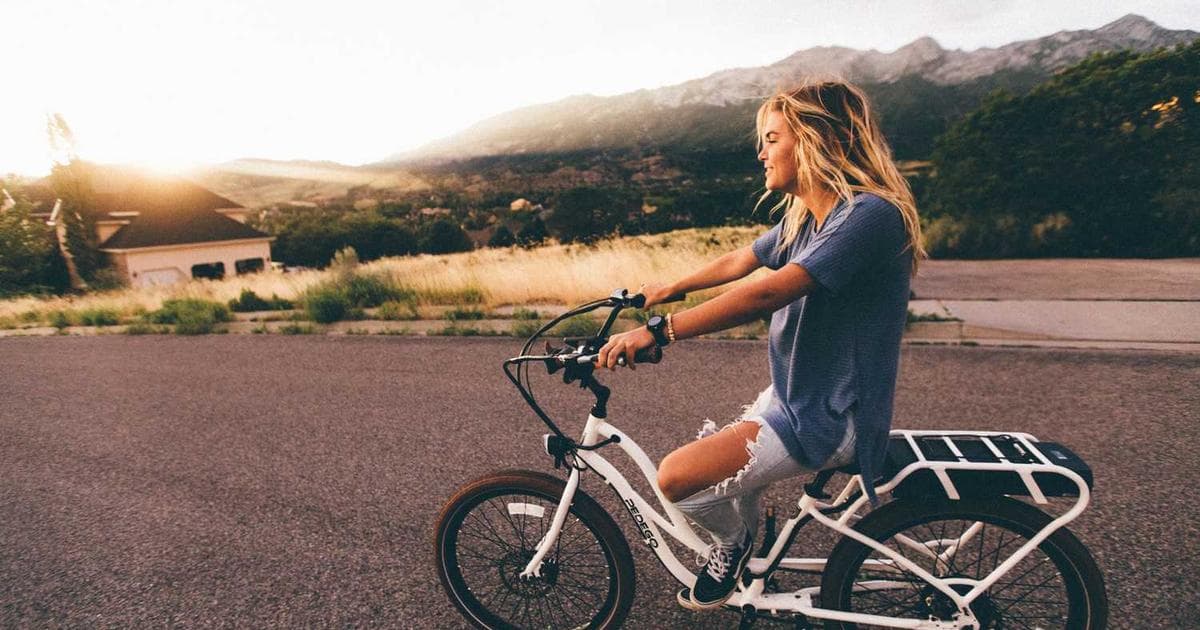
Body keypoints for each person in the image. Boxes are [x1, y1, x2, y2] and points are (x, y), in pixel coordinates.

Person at [596, 79, 926, 610]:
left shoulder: (868, 216)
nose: (761, 152)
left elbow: (768, 290)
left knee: (677, 478)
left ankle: (732, 544)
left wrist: (661, 330)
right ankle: (747, 546)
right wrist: (671, 287)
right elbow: (743, 260)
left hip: (831, 415)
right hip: (794, 398)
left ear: (820, 141)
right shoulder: (809, 219)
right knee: (722, 469)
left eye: (773, 138)